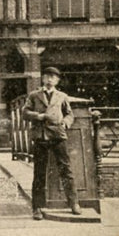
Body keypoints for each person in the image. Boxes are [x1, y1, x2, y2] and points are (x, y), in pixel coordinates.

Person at [23, 66, 81, 220]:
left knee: (66, 169)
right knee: (39, 172)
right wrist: (38, 116)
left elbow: (70, 114)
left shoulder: (62, 96)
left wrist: (66, 124)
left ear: (57, 80)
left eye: (53, 77)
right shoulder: (34, 95)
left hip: (57, 135)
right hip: (41, 136)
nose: (50, 79)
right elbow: (25, 112)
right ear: (42, 79)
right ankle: (37, 208)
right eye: (47, 76)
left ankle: (74, 202)